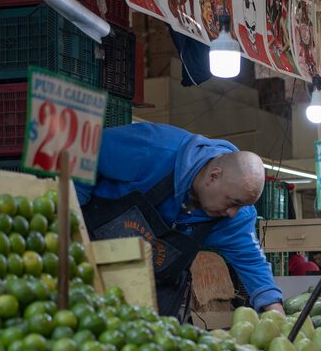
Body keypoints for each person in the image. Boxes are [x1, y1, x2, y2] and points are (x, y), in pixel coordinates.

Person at [75, 123, 284, 321]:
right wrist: (73, 220)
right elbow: (86, 152)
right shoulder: (155, 147)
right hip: (87, 264)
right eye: (232, 202)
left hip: (154, 296)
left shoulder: (236, 216)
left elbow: (252, 262)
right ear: (213, 176)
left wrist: (277, 314)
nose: (232, 213)